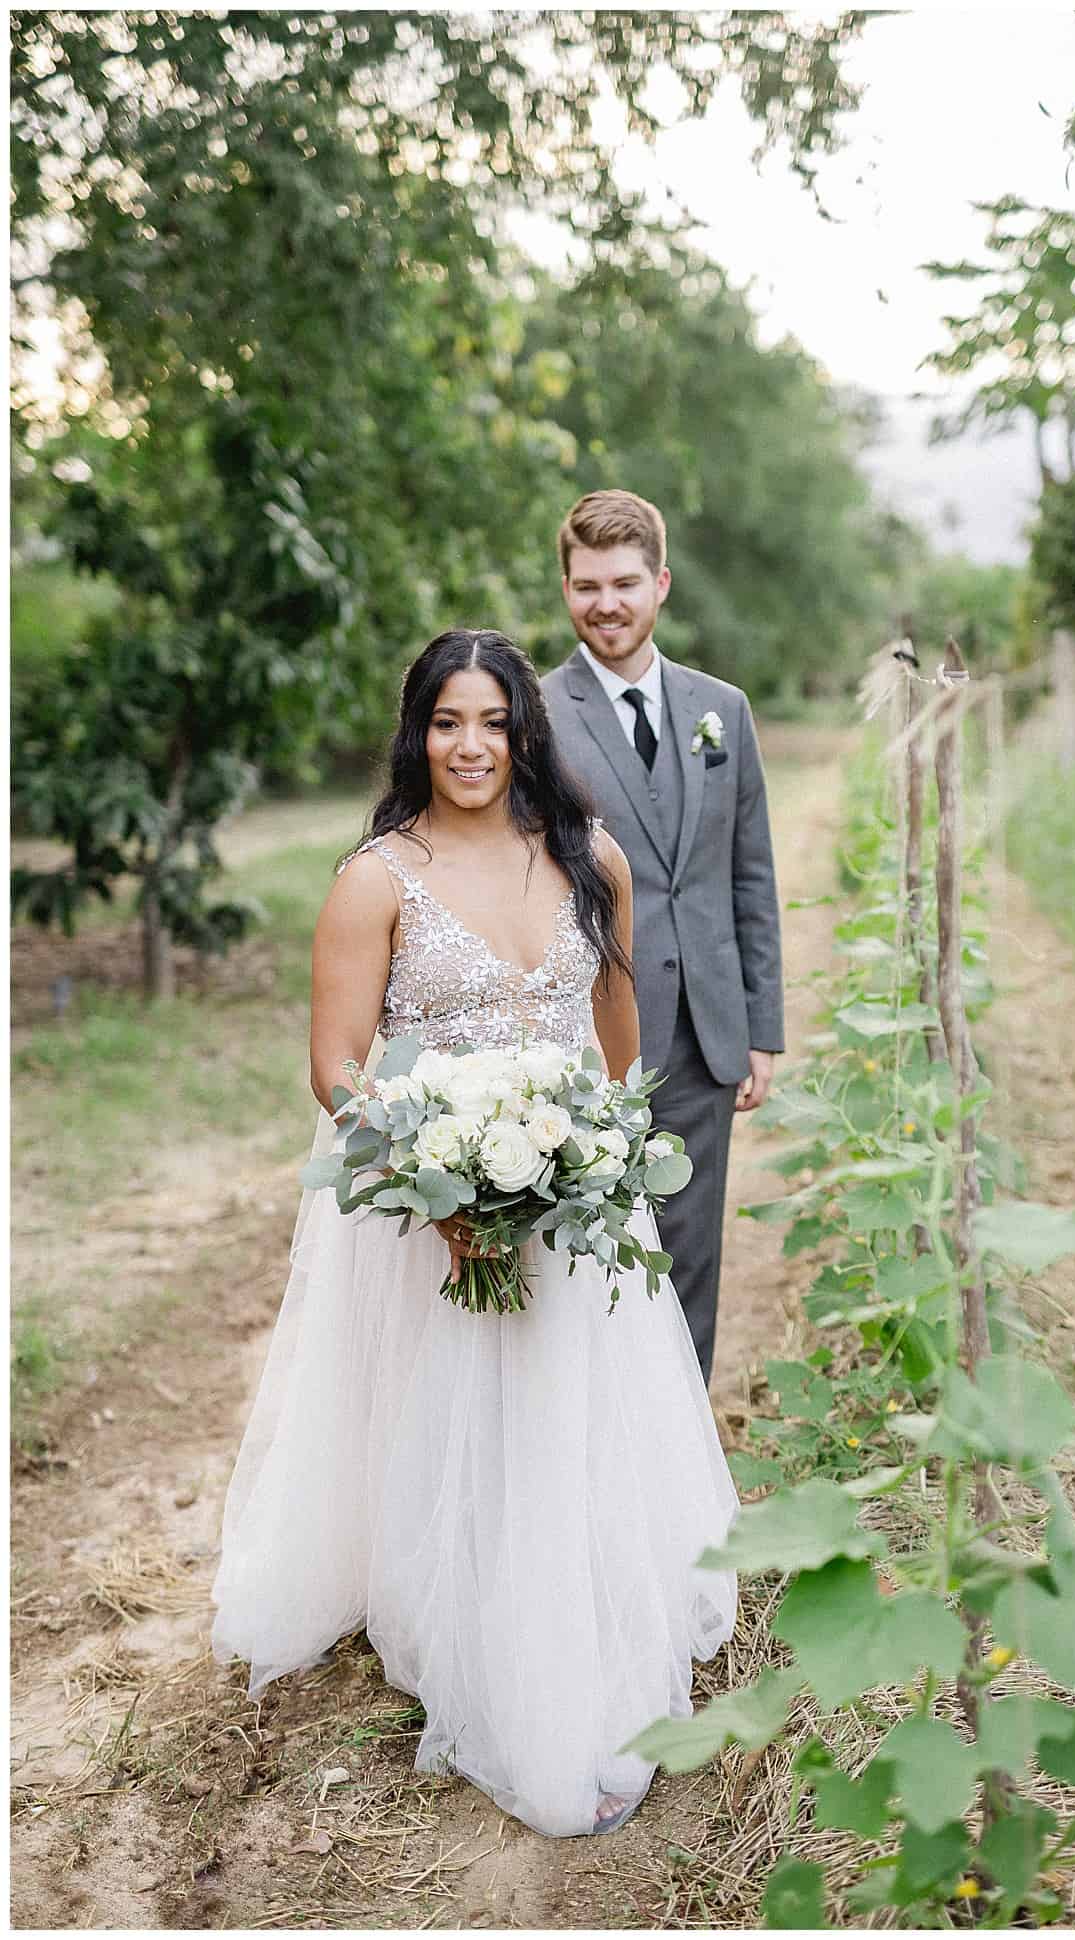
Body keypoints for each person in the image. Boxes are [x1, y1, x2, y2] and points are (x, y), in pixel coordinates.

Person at [211, 629, 737, 1840]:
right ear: (418, 732)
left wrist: (584, 1159)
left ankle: (578, 1618)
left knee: (566, 1417)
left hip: (569, 1200)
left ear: (523, 732)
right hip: (429, 1208)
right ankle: (479, 1634)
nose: (470, 745)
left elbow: (617, 1033)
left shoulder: (587, 857)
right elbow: (336, 1066)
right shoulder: (375, 877)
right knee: (453, 1428)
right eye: (448, 721)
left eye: (493, 721)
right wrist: (442, 1185)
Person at [542, 491, 784, 1385]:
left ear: (661, 584)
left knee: (689, 1257)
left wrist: (761, 1027)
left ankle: (685, 1478)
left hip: (702, 1029)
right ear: (566, 587)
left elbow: (747, 874)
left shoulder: (723, 708)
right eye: (586, 585)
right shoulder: (533, 712)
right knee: (580, 1254)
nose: (605, 603)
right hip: (580, 1035)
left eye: (624, 583)